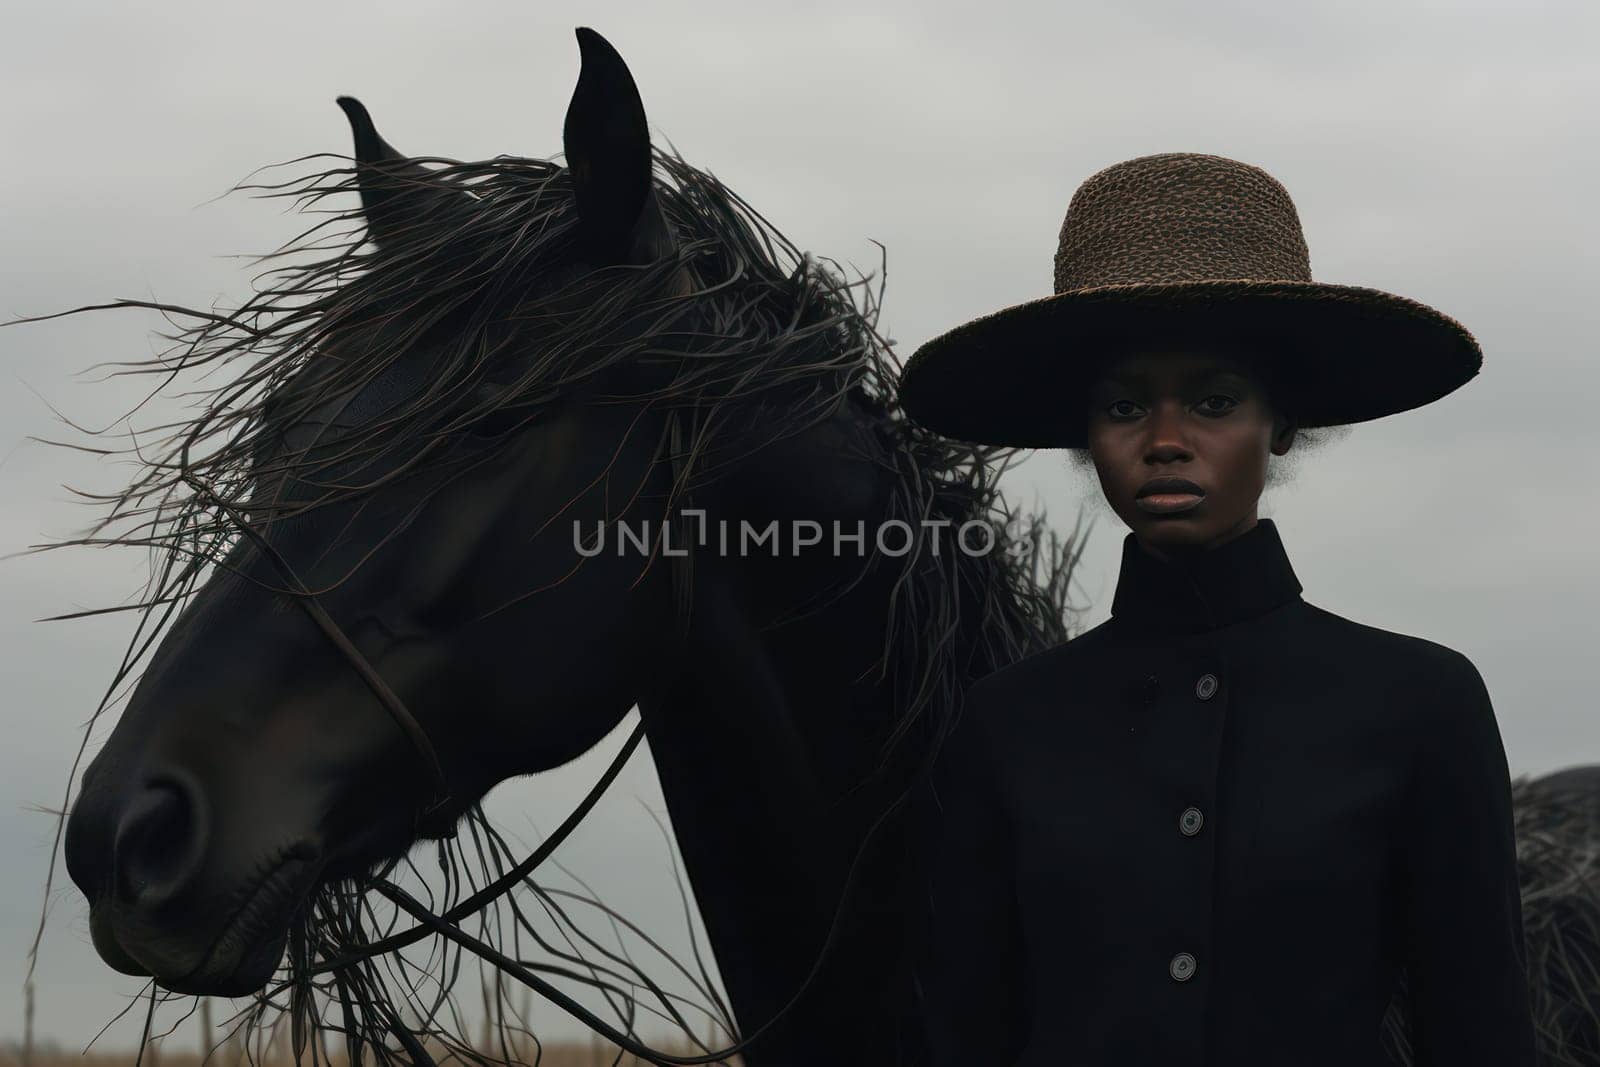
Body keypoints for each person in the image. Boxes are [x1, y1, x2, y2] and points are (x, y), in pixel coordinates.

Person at [896, 153, 1538, 1065]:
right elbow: (968, 1031)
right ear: (1086, 434)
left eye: (1213, 400)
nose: (1164, 441)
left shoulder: (1420, 702)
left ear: (1281, 423)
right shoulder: (1008, 725)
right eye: (1124, 405)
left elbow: (1478, 1028)